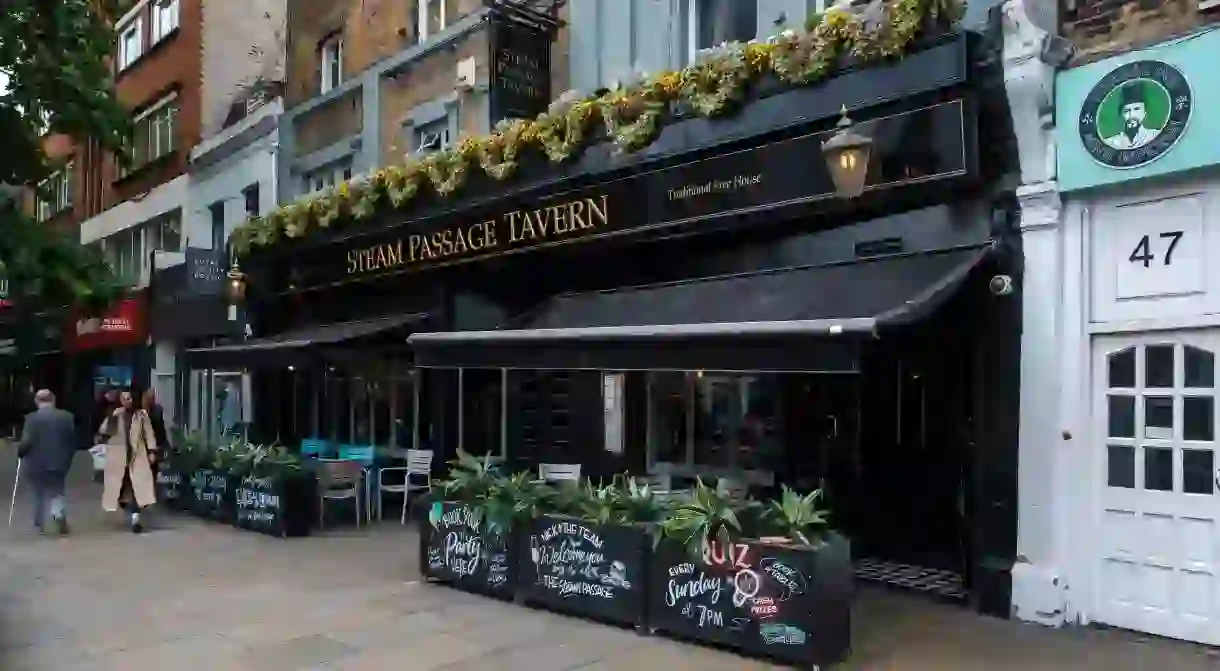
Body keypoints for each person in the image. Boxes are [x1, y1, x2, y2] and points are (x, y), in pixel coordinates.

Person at [97, 388, 158, 533]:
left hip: (137, 456)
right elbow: (104, 431)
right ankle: (130, 511)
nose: (126, 401)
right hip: (119, 457)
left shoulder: (141, 415)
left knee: (137, 489)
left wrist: (152, 451)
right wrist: (112, 417)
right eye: (124, 398)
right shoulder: (115, 414)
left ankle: (135, 518)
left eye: (129, 398)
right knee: (121, 490)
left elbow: (149, 433)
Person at [16, 390, 76, 535]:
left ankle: (39, 523)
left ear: (37, 401)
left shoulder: (31, 419)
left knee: (38, 493)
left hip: (37, 463)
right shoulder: (67, 417)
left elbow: (26, 441)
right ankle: (59, 516)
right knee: (57, 491)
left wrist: (21, 452)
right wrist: (68, 458)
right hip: (59, 462)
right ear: (53, 400)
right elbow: (72, 441)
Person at [1103, 81, 1162, 151]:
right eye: (1127, 111)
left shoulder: (1156, 135)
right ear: (1121, 115)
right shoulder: (1111, 142)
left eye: (1137, 109)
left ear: (1145, 113)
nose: (1131, 115)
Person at [142, 389, 170, 474]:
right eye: (152, 396)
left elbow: (160, 428)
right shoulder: (142, 411)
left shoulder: (157, 409)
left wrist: (164, 443)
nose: (153, 398)